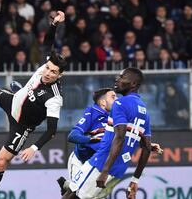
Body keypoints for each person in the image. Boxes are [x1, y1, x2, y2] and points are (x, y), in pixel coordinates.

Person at [0, 11, 67, 199]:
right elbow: (48, 42)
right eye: (48, 68)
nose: (48, 73)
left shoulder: (55, 98)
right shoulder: (45, 65)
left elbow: (52, 131)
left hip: (22, 125)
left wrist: (33, 148)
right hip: (13, 101)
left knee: (1, 163)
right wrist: (54, 24)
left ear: (60, 76)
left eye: (54, 72)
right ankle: (18, 92)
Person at [62, 67, 152, 199]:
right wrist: (134, 180)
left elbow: (119, 138)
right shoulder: (144, 110)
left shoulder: (120, 103)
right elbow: (147, 147)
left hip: (100, 164)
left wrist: (105, 170)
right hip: (119, 171)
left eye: (122, 77)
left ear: (133, 84)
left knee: (73, 196)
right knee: (74, 193)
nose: (117, 79)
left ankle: (65, 185)